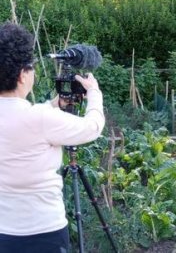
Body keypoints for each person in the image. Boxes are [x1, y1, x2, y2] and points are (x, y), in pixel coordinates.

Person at [0, 22, 105, 252]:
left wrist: (55, 104)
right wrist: (94, 93)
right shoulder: (41, 119)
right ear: (21, 76)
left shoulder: (39, 116)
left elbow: (25, 120)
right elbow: (92, 127)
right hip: (44, 232)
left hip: (4, 232)